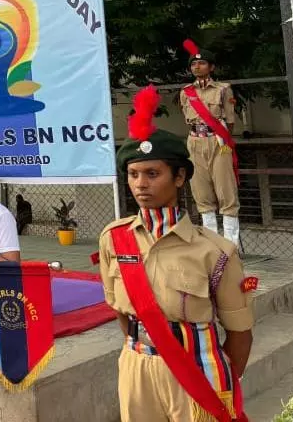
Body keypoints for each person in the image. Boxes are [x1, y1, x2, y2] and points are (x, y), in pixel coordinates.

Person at [99, 85, 254, 422]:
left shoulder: (216, 251)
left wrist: (222, 383)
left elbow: (240, 333)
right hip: (136, 366)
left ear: (180, 176)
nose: (141, 184)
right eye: (134, 174)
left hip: (197, 370)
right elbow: (121, 311)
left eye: (153, 174)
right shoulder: (114, 239)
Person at [180, 39, 241, 248]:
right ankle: (211, 245)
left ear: (211, 67)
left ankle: (230, 245)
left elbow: (230, 120)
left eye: (202, 63)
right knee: (200, 189)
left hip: (218, 141)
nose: (197, 66)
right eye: (193, 64)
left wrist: (224, 141)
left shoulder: (223, 90)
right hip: (195, 141)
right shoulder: (186, 91)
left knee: (226, 189)